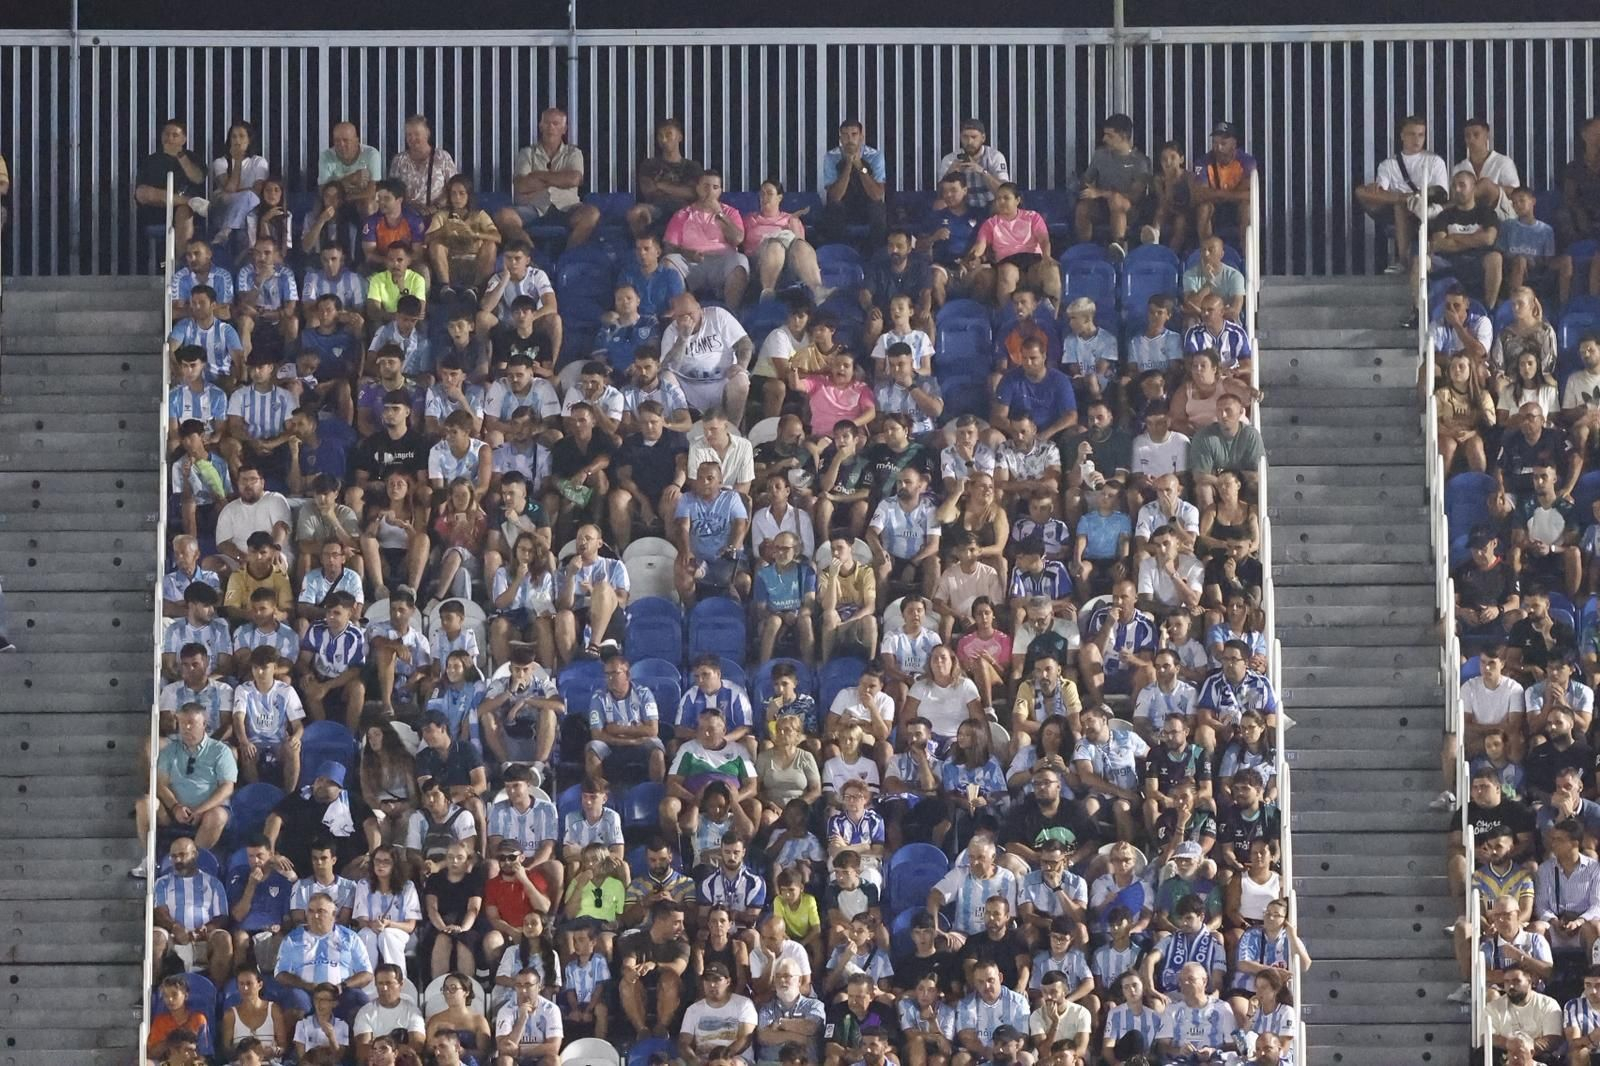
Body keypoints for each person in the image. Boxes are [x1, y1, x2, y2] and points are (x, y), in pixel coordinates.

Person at [1354, 114, 1449, 272]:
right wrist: (1402, 197)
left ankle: (1404, 261)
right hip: (1396, 209)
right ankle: (1404, 259)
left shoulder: (1435, 161)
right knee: (1363, 192)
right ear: (1402, 136)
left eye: (1421, 135)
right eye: (1412, 134)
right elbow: (1381, 192)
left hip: (1425, 208)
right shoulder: (1388, 164)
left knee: (1400, 205)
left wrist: (1415, 197)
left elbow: (1441, 193)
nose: (1417, 139)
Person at [498, 106, 601, 248]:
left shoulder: (574, 153)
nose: (550, 127)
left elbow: (574, 179)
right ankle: (530, 256)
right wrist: (559, 180)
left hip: (567, 207)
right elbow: (521, 185)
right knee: (503, 216)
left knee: (592, 214)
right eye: (546, 123)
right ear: (540, 126)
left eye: (556, 124)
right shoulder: (527, 153)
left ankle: (568, 257)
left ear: (564, 129)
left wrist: (538, 175)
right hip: (533, 208)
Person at [661, 292, 754, 421]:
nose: (687, 319)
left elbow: (745, 343)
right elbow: (669, 367)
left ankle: (733, 430)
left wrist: (741, 365)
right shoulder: (671, 332)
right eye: (681, 316)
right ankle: (682, 426)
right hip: (689, 386)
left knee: (741, 381)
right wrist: (682, 338)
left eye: (690, 314)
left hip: (722, 381)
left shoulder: (718, 316)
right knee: (666, 378)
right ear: (674, 317)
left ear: (699, 309)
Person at [665, 169, 750, 307]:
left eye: (715, 188)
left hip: (721, 262)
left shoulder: (730, 213)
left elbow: (738, 239)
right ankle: (681, 310)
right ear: (697, 188)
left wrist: (720, 215)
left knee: (740, 261)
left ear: (720, 191)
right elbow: (669, 247)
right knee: (669, 261)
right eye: (705, 186)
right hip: (692, 262)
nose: (710, 192)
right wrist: (688, 253)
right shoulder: (682, 214)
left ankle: (732, 312)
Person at [1075, 113, 1153, 256]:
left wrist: (1103, 193)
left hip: (1129, 210)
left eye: (1109, 136)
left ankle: (1119, 246)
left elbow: (1135, 196)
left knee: (1116, 201)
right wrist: (1084, 186)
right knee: (1083, 207)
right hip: (1102, 207)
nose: (1104, 139)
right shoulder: (1100, 155)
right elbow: (1086, 179)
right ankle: (1084, 250)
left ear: (1123, 136)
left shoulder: (1140, 162)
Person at [1426, 169, 1505, 309]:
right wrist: (1475, 240)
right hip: (1448, 261)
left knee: (1495, 258)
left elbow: (1488, 239)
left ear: (1473, 187)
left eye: (1462, 185)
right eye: (1454, 186)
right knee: (1421, 260)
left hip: (1477, 262)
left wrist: (1455, 237)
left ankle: (1488, 308)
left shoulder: (1487, 213)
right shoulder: (1444, 215)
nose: (1457, 189)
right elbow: (1439, 243)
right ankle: (1419, 311)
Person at [136, 118, 207, 247]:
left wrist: (180, 156)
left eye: (175, 135)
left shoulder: (192, 157)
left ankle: (181, 263)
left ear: (184, 139)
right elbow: (141, 193)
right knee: (141, 192)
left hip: (185, 213)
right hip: (156, 210)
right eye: (166, 134)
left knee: (184, 211)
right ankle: (189, 200)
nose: (170, 138)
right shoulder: (151, 160)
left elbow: (198, 178)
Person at [630, 117, 703, 238]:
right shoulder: (649, 164)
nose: (664, 139)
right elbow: (649, 191)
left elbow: (693, 193)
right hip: (656, 207)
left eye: (669, 135)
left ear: (680, 137)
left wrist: (661, 185)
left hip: (685, 209)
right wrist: (679, 190)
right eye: (660, 136)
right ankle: (644, 247)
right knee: (636, 213)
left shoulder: (692, 166)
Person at [819, 118, 887, 247]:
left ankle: (876, 253)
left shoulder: (874, 156)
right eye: (845, 135)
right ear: (840, 139)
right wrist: (849, 165)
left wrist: (860, 165)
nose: (849, 139)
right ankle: (837, 252)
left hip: (867, 205)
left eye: (854, 134)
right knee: (833, 208)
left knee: (878, 208)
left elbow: (877, 195)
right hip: (843, 206)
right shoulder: (831, 157)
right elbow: (835, 196)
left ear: (861, 137)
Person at [1191, 121, 1256, 248]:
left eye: (1223, 143)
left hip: (1235, 208)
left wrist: (1216, 194)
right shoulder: (1203, 161)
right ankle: (1207, 252)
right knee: (1203, 208)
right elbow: (1199, 195)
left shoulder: (1247, 162)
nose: (1218, 148)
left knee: (1247, 209)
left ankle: (1246, 257)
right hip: (1215, 209)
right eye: (1215, 143)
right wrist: (1234, 194)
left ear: (1234, 144)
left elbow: (1250, 195)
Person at [938, 118, 1010, 212]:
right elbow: (939, 194)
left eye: (974, 137)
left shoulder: (995, 156)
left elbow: (1006, 192)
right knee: (940, 204)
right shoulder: (950, 159)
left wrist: (982, 172)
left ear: (983, 138)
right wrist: (949, 173)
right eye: (965, 137)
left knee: (1002, 203)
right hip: (962, 206)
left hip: (990, 205)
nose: (969, 142)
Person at [319, 121, 384, 216]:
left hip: (358, 200)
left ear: (356, 141)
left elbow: (374, 190)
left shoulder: (371, 154)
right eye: (337, 141)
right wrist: (351, 178)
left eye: (345, 140)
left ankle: (369, 230)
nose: (341, 144)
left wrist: (345, 196)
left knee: (369, 204)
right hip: (337, 202)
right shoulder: (326, 156)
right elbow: (322, 191)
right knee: (319, 209)